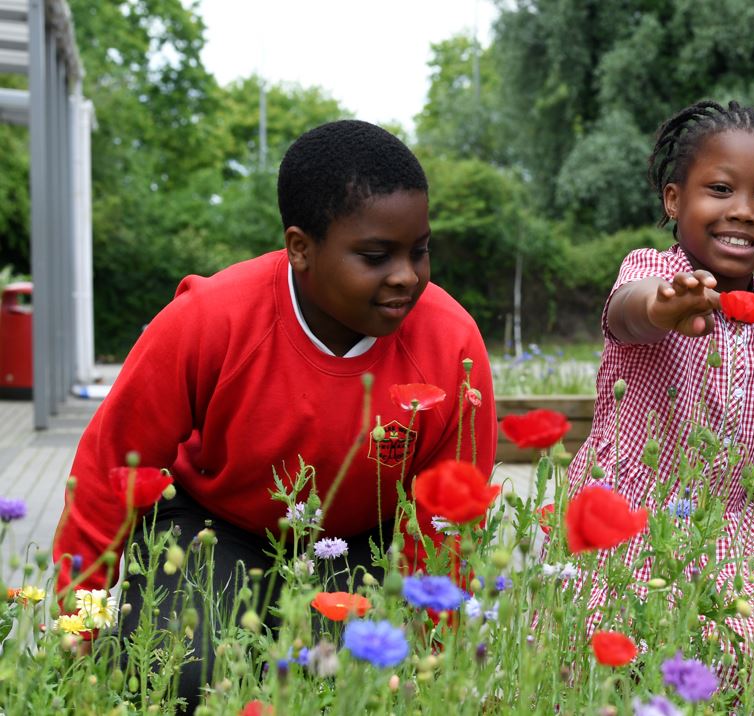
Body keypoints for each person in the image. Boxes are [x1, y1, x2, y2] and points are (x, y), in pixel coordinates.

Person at [52, 119, 496, 705]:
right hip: (210, 530)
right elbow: (109, 475)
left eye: (419, 251)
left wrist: (433, 656)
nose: (406, 276)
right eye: (375, 255)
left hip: (355, 545)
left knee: (341, 682)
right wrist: (76, 629)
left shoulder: (452, 346)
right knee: (182, 674)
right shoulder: (209, 320)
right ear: (300, 248)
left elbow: (445, 530)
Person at [566, 100, 754, 648]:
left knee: (739, 659)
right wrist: (664, 308)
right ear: (674, 199)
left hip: (730, 535)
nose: (745, 211)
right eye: (720, 190)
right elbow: (628, 313)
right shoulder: (653, 272)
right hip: (624, 522)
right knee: (612, 655)